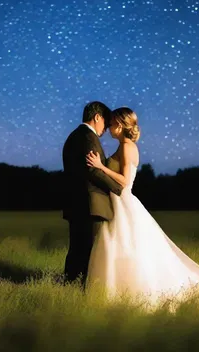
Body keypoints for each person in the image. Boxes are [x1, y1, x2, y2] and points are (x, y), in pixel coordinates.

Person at [85, 107, 199, 308]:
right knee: (119, 246)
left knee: (127, 246)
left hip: (123, 202)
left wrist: (100, 166)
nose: (109, 127)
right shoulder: (124, 145)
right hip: (117, 202)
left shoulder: (127, 147)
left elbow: (124, 180)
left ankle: (131, 294)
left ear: (120, 126)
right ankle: (118, 293)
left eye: (112, 123)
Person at [62, 101, 124, 286]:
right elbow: (93, 171)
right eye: (105, 122)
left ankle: (70, 287)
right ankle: (80, 292)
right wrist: (118, 189)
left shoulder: (74, 136)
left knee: (77, 250)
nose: (106, 128)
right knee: (89, 252)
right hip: (90, 204)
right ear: (97, 117)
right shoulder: (88, 137)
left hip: (77, 202)